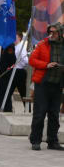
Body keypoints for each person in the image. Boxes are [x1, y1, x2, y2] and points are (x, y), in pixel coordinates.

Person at [29, 22, 64, 151]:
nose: (51, 34)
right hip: (42, 84)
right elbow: (32, 60)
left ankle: (52, 141)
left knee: (54, 114)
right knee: (40, 113)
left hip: (58, 84)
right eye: (50, 31)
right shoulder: (43, 44)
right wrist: (46, 64)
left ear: (60, 33)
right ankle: (35, 140)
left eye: (54, 32)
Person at [0, 44, 16, 112]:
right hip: (1, 75)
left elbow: (11, 61)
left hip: (6, 76)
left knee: (4, 95)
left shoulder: (9, 47)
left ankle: (7, 110)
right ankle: (0, 109)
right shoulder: (2, 48)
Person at [13, 32, 29, 108]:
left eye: (15, 37)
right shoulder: (14, 46)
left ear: (20, 38)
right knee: (8, 91)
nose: (14, 39)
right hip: (14, 71)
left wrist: (20, 64)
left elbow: (25, 60)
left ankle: (27, 109)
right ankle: (7, 108)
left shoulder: (21, 47)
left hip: (19, 71)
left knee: (23, 92)